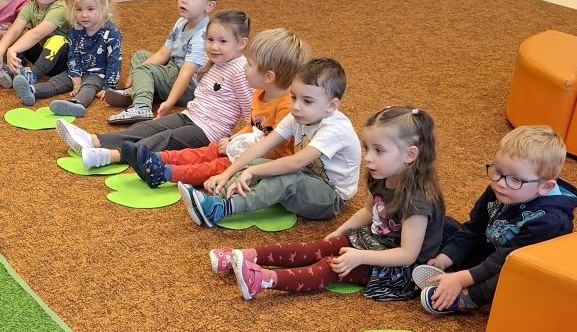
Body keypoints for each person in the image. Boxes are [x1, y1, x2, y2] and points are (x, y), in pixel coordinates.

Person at [225, 106, 445, 302]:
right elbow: (368, 211)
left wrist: (360, 257)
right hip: (374, 241)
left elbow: (407, 254)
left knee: (330, 267)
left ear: (410, 155)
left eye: (378, 151)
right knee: (318, 248)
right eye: (367, 148)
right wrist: (339, 232)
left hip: (399, 268)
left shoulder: (418, 200)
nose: (368, 158)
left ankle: (263, 280)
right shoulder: (381, 175)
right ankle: (246, 256)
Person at [415, 124, 577, 315]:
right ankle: (448, 271)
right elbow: (474, 229)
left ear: (545, 187)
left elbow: (505, 260)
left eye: (515, 179)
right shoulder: (500, 189)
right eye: (497, 171)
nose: (500, 183)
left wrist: (461, 280)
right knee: (443, 224)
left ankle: (466, 296)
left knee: (508, 276)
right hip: (496, 251)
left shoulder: (551, 221)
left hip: (521, 271)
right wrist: (443, 260)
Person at [178, 57, 360, 228]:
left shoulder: (335, 130)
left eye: (307, 101)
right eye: (294, 97)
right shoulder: (297, 117)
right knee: (257, 162)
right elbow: (261, 147)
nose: (296, 106)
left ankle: (221, 209)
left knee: (285, 179)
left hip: (332, 196)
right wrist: (226, 174)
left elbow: (295, 162)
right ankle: (218, 197)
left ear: (331, 106)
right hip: (307, 175)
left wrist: (252, 171)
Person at [56, 9, 251, 167]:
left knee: (164, 139)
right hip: (190, 116)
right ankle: (94, 140)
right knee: (148, 127)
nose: (214, 47)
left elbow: (253, 116)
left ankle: (112, 156)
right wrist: (169, 104)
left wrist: (234, 140)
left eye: (222, 41)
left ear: (241, 43)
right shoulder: (214, 60)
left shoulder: (239, 71)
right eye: (210, 40)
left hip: (209, 132)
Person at [129, 27, 309, 187]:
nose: (244, 67)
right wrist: (233, 140)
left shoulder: (287, 107)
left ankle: (165, 174)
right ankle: (157, 158)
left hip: (265, 161)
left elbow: (275, 151)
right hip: (249, 147)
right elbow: (250, 126)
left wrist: (241, 151)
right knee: (208, 151)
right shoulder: (258, 93)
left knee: (217, 166)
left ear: (268, 77)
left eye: (250, 64)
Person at [104, 0, 219, 124]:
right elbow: (163, 53)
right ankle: (142, 89)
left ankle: (141, 106)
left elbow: (186, 74)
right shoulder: (182, 21)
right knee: (140, 56)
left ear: (209, 6)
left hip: (187, 86)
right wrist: (137, 72)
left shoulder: (202, 34)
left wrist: (170, 103)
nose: (184, 0)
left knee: (145, 69)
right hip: (173, 68)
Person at [14, 0, 122, 113]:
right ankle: (31, 91)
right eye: (79, 9)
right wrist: (76, 78)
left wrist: (109, 87)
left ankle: (77, 104)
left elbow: (114, 61)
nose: (84, 15)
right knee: (56, 81)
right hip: (77, 70)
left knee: (88, 87)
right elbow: (73, 54)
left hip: (98, 74)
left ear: (104, 8)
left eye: (90, 9)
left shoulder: (112, 32)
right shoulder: (76, 27)